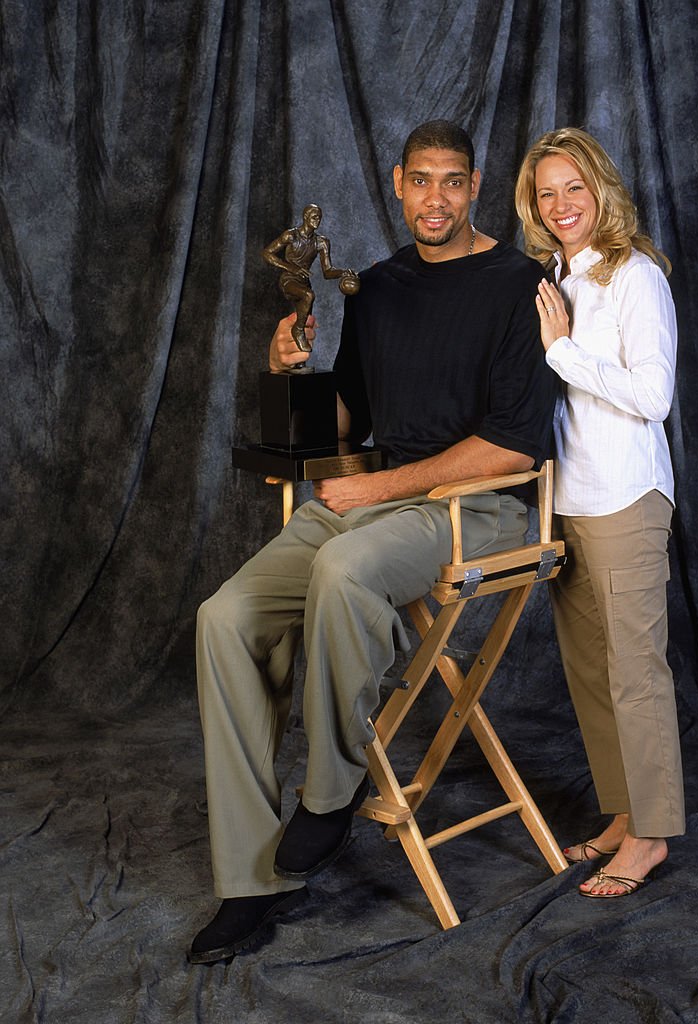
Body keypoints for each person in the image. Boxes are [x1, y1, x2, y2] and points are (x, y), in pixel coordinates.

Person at [188, 120, 556, 963]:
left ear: (475, 187)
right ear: (396, 183)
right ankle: (250, 882)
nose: (436, 198)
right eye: (421, 181)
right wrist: (290, 372)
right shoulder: (380, 287)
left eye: (453, 182)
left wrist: (380, 487)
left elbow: (515, 443)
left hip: (477, 504)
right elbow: (351, 416)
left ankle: (333, 785)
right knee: (223, 619)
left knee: (347, 568)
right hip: (378, 494)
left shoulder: (517, 283)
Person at [514, 127, 685, 898]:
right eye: (545, 193)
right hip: (570, 503)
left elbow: (653, 397)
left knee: (634, 676)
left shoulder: (634, 276)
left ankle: (650, 836)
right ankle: (621, 813)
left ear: (600, 190)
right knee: (590, 676)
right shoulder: (555, 278)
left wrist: (561, 351)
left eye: (572, 188)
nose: (560, 205)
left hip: (625, 502)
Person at [261, 204, 357, 351]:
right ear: (305, 217)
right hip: (289, 279)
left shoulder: (321, 242)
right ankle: (297, 330)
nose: (317, 220)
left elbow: (327, 271)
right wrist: (290, 267)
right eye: (314, 217)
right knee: (308, 296)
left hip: (304, 282)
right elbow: (267, 253)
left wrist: (342, 272)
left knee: (307, 326)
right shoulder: (291, 236)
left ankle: (299, 362)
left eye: (319, 217)